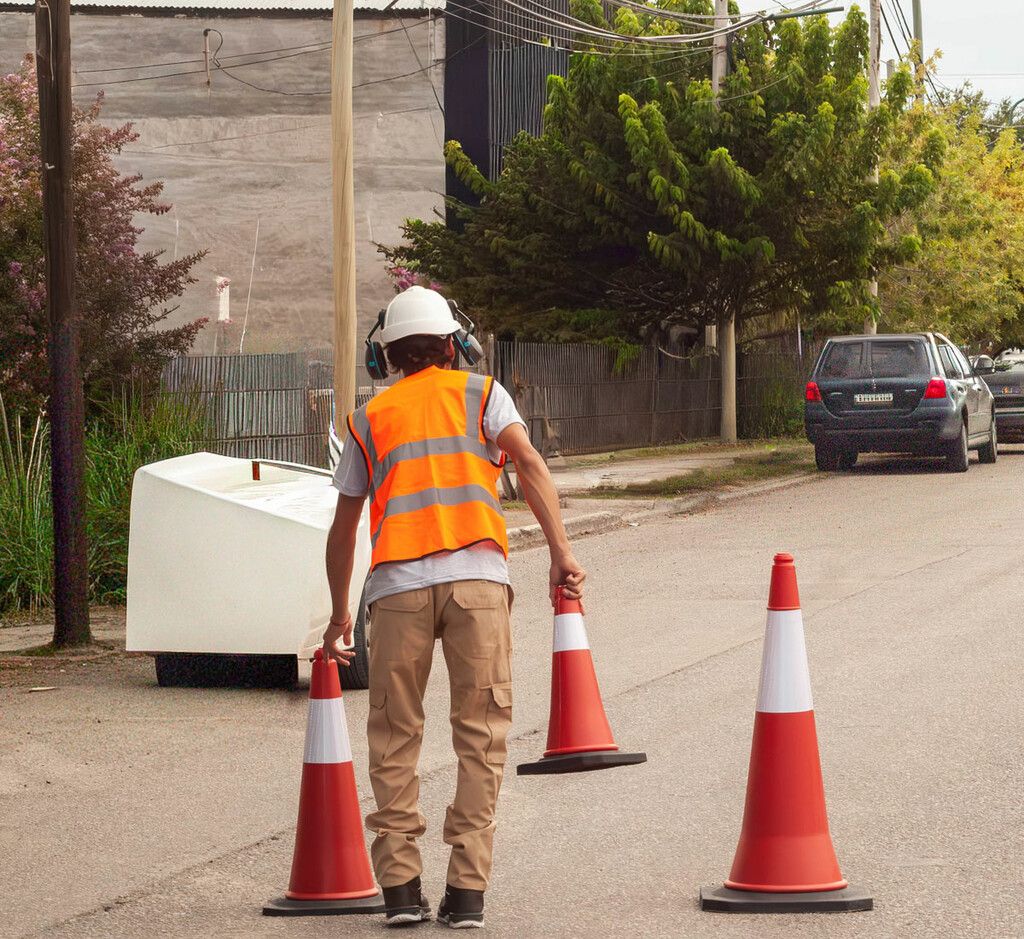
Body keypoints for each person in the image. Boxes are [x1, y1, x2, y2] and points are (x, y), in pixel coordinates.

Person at [323, 286, 586, 929]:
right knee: (481, 736)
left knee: (394, 739)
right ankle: (466, 893)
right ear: (453, 345)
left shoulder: (367, 418)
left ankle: (401, 894)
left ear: (385, 356)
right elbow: (529, 463)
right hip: (478, 586)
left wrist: (338, 617)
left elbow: (345, 523)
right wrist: (560, 552)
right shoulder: (484, 394)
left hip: (396, 592)